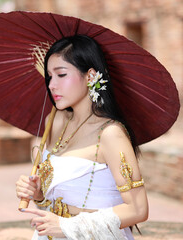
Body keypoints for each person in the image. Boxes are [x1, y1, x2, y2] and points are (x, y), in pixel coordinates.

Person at [15, 35, 148, 240]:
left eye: (61, 74)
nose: (51, 85)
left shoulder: (110, 134)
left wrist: (68, 227)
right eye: (49, 76)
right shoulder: (56, 121)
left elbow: (138, 210)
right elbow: (58, 204)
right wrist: (39, 195)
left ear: (90, 76)